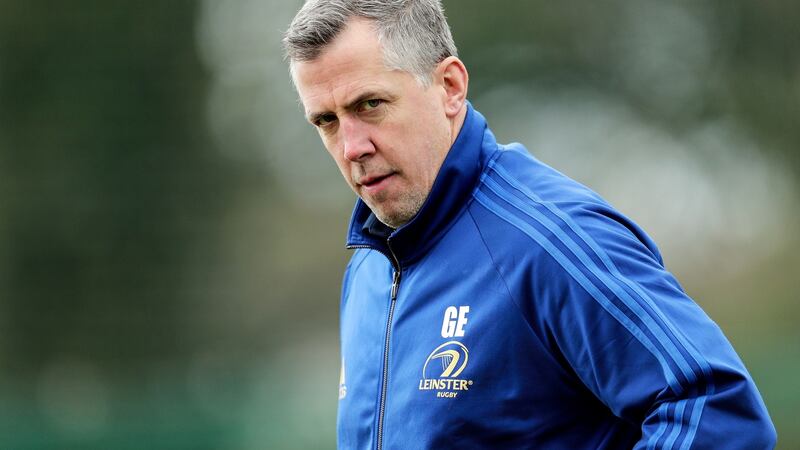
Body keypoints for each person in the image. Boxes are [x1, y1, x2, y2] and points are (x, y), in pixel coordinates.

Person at [283, 1, 777, 448]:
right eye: (326, 121)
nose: (351, 147)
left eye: (369, 105)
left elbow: (716, 412)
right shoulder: (368, 267)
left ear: (450, 87)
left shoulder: (550, 240)